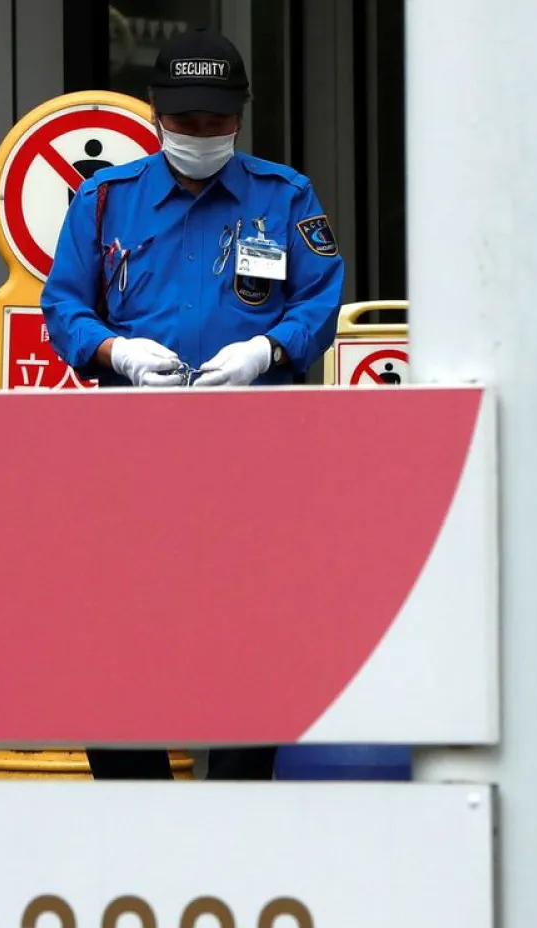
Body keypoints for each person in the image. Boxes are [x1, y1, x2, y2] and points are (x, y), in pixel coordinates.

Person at [40, 27, 346, 782]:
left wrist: (265, 351)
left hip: (252, 457)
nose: (199, 134)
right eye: (184, 120)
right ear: (155, 110)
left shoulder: (284, 197)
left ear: (240, 115)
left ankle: (236, 800)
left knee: (253, 633)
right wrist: (117, 353)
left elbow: (319, 301)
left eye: (215, 121)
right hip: (131, 458)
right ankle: (135, 799)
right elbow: (63, 305)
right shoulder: (106, 201)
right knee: (118, 632)